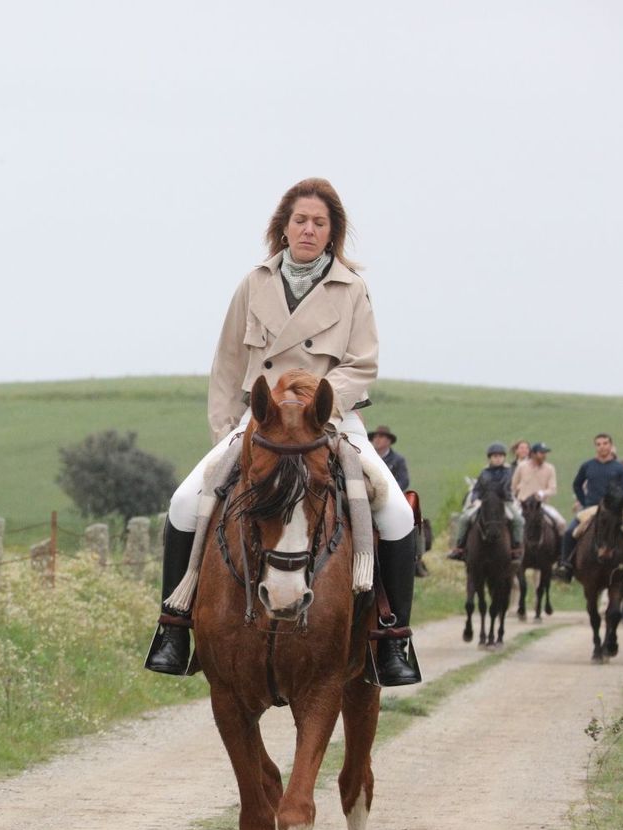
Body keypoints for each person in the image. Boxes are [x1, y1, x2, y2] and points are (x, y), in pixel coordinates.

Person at [144, 178, 421, 686]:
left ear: (332, 231)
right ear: (284, 227)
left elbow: (362, 364)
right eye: (300, 220)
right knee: (185, 504)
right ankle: (174, 626)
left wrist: (319, 405)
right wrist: (228, 433)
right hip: (263, 426)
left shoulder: (352, 288)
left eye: (319, 222)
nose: (309, 229)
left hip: (329, 420)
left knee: (397, 512)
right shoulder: (254, 283)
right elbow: (228, 364)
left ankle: (392, 637)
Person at [555, 432, 623, 581]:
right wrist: (584, 501)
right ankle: (566, 566)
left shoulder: (620, 468)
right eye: (599, 444)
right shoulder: (587, 465)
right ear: (595, 447)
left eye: (605, 443)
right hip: (591, 508)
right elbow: (577, 485)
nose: (602, 447)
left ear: (610, 445)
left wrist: (619, 502)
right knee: (569, 532)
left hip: (615, 510)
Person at [446, 442, 523, 560]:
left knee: (518, 520)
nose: (498, 459)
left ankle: (516, 547)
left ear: (504, 457)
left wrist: (496, 497)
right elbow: (477, 489)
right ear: (490, 458)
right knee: (464, 518)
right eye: (495, 456)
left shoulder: (508, 472)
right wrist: (475, 499)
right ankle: (460, 548)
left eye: (500, 456)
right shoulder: (484, 472)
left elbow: (505, 488)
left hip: (503, 502)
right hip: (484, 502)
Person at [511, 441, 563, 526]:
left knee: (561, 523)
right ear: (533, 454)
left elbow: (553, 489)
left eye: (545, 453)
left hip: (541, 505)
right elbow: (512, 487)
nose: (544, 455)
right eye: (541, 453)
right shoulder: (522, 467)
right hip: (522, 505)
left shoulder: (550, 468)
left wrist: (542, 493)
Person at [370, 425, 409, 491]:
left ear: (389, 441)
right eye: (375, 437)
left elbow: (404, 481)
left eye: (381, 437)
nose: (377, 439)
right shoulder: (367, 458)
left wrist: (391, 491)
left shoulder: (398, 460)